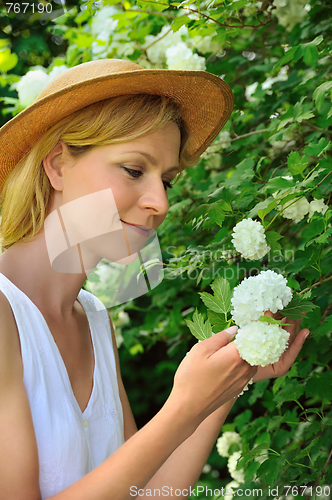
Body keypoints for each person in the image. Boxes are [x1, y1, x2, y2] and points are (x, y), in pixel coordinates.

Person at [0, 58, 309, 500]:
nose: (160, 202)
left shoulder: (93, 317)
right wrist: (181, 407)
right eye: (134, 170)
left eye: (167, 179)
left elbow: (143, 493)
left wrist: (226, 384)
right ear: (57, 166)